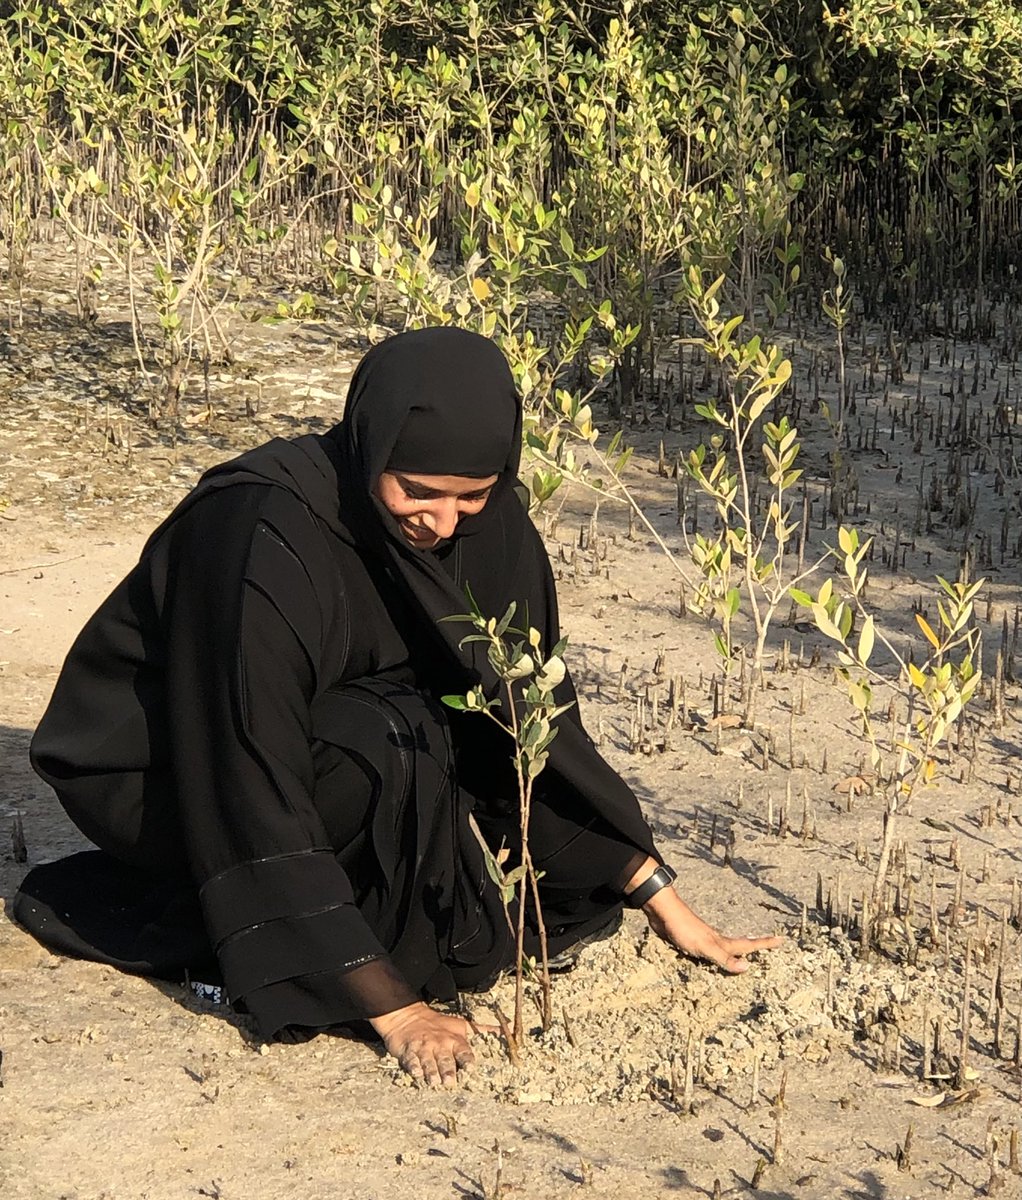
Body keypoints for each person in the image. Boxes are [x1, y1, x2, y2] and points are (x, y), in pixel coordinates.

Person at [14, 327, 781, 1086]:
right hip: (177, 772)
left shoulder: (489, 524)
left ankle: (337, 923)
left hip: (328, 745)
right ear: (373, 444)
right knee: (386, 734)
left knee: (418, 721)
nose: (442, 523)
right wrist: (394, 1010)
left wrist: (653, 891)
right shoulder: (258, 530)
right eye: (416, 490)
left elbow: (521, 724)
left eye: (472, 496)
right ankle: (298, 941)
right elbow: (245, 765)